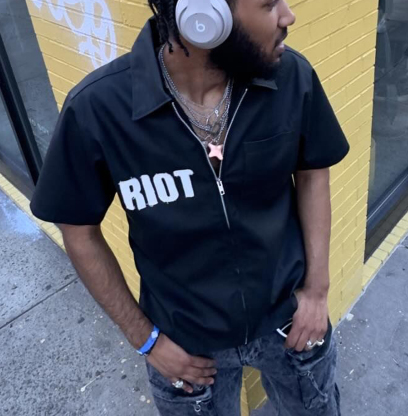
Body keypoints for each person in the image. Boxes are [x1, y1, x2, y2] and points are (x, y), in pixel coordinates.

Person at [29, 0, 350, 414]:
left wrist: (318, 292)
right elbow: (78, 230)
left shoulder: (290, 77)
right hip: (186, 349)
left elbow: (312, 174)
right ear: (205, 17)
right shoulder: (98, 109)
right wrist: (145, 339)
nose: (288, 16)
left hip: (290, 323)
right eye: (269, 4)